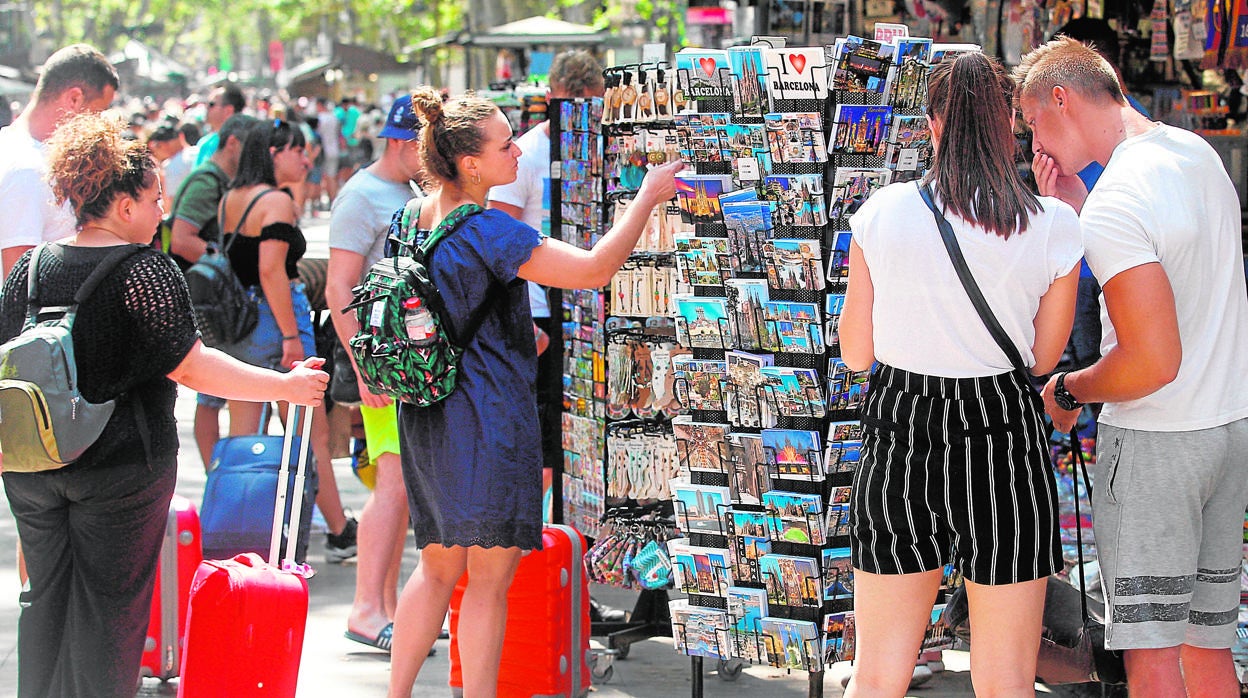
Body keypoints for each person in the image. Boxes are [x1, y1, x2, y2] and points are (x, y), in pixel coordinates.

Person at [1, 111, 327, 698]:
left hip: (31, 466)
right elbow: (192, 364)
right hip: (120, 468)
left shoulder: (30, 268)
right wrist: (284, 386)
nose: (162, 212)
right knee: (109, 614)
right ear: (123, 204)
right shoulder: (142, 269)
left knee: (45, 602)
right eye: (154, 199)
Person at [386, 88, 682, 698]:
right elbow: (595, 269)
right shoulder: (493, 231)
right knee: (489, 582)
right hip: (487, 415)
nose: (519, 149)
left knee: (437, 566)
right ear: (470, 163)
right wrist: (646, 197)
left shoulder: (409, 218)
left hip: (425, 410)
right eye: (505, 142)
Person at [837, 52, 1081, 697]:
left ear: (934, 124)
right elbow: (1043, 359)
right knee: (1004, 680)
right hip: (1001, 431)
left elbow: (857, 354)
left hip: (901, 427)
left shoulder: (883, 212)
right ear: (1009, 125)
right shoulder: (1053, 224)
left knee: (878, 674)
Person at [1016, 37, 1248, 697]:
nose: (1036, 142)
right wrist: (1075, 216)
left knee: (1150, 660)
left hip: (1157, 445)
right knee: (1207, 650)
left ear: (1060, 100)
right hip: (1227, 427)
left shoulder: (1119, 195)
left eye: (1033, 121)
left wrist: (1069, 387)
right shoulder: (1193, 153)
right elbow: (1172, 261)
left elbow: (1151, 361)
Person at [486, 49, 625, 624]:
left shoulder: (579, 145)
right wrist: (526, 314)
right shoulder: (534, 151)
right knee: (548, 444)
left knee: (570, 442)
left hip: (579, 306)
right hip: (545, 309)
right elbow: (504, 236)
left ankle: (561, 567)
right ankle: (541, 564)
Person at [218, 118, 358, 563]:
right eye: (299, 150)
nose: (307, 158)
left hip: (240, 326)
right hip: (276, 319)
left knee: (242, 434)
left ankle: (235, 531)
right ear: (275, 152)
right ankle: (339, 530)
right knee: (309, 433)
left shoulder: (232, 198)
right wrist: (292, 336)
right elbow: (271, 270)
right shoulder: (276, 201)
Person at [326, 93, 424, 651]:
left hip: (399, 358)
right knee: (392, 481)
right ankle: (367, 607)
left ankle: (385, 608)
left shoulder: (408, 191)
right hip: (379, 357)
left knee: (403, 482)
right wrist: (363, 363)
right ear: (401, 142)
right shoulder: (361, 196)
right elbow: (338, 285)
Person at [164, 113, 258, 469]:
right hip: (206, 299)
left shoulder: (221, 180)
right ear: (232, 143)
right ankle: (214, 476)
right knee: (211, 395)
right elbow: (184, 238)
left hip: (210, 297)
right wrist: (223, 268)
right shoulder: (207, 181)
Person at [0, 44, 119, 277]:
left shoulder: (14, 149)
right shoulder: (29, 170)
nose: (99, 124)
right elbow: (20, 288)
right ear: (74, 98)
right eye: (98, 112)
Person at [194, 83, 245, 168]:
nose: (206, 108)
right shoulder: (205, 143)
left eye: (211, 104)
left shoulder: (242, 144)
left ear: (228, 111)